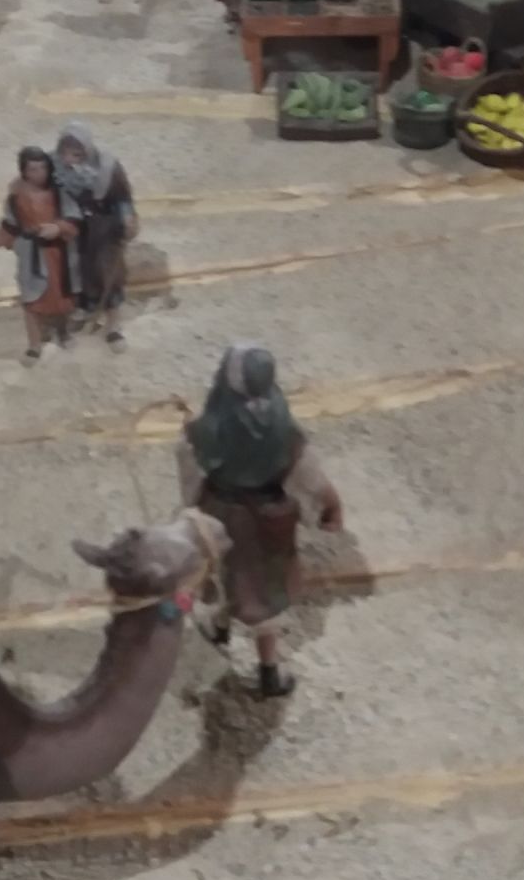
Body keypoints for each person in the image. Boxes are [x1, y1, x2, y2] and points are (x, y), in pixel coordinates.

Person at [178, 344, 344, 699]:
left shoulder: (208, 428)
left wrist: (192, 504)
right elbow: (308, 474)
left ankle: (240, 645)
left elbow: (191, 473)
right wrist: (330, 504)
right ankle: (258, 661)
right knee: (260, 591)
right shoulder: (282, 427)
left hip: (220, 514)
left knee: (227, 576)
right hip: (267, 521)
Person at [0, 148, 81, 364]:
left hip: (58, 253)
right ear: (24, 171)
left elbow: (74, 219)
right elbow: (10, 226)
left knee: (60, 296)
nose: (39, 173)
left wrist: (59, 227)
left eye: (43, 168)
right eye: (33, 169)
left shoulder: (59, 193)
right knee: (31, 299)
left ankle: (63, 333)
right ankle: (34, 345)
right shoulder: (16, 198)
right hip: (31, 254)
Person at [54, 122, 137, 352]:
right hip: (75, 229)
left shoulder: (107, 166)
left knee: (108, 272)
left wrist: (127, 218)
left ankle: (113, 326)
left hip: (104, 228)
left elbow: (122, 197)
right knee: (76, 272)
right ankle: (85, 310)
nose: (70, 159)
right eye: (66, 153)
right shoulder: (56, 167)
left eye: (76, 154)